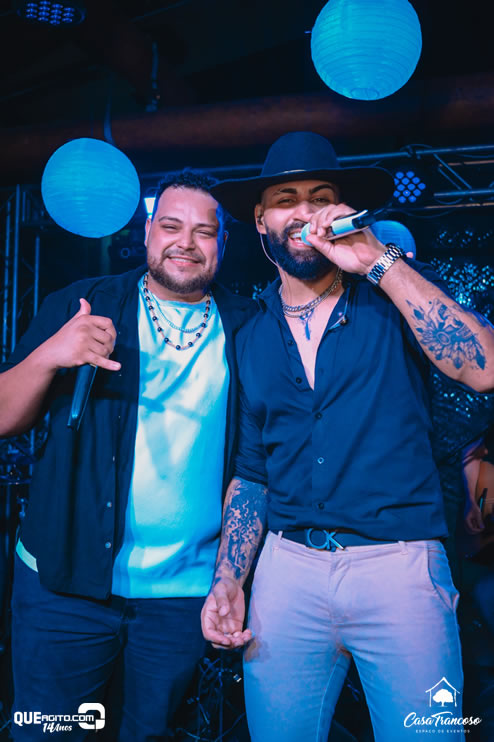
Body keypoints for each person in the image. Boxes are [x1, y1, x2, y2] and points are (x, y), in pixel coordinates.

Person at [201, 132, 494, 742]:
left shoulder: (393, 293)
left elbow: (482, 367)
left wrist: (378, 260)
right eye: (286, 199)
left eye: (320, 196)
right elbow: (253, 473)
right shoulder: (251, 334)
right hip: (286, 571)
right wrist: (229, 576)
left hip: (400, 567)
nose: (304, 212)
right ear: (260, 219)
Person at [0, 170, 255, 741]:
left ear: (222, 243)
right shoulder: (84, 304)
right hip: (65, 586)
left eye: (204, 231)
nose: (186, 242)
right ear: (147, 233)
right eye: (171, 226)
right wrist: (50, 354)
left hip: (181, 597)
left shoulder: (248, 327)